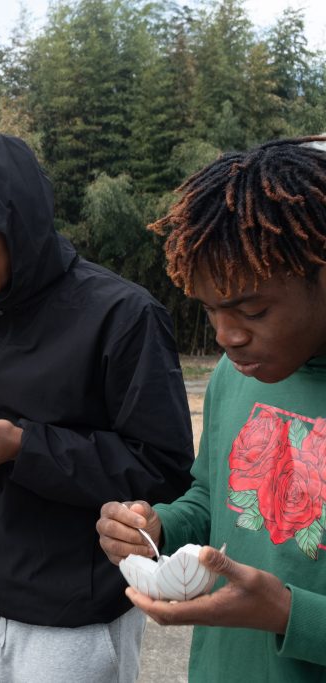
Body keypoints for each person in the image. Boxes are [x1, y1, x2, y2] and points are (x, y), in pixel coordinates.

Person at [0, 133, 195, 682]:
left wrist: (24, 447)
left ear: (18, 225)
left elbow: (162, 471)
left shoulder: (121, 315)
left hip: (71, 618)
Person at [96, 137, 326, 681]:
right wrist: (157, 527)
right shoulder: (235, 375)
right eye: (210, 310)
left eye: (252, 310)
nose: (227, 337)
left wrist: (292, 615)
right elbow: (212, 496)